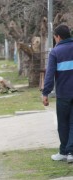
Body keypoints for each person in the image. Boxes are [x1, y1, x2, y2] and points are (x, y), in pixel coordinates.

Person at [42, 24, 73, 163]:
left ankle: (64, 152)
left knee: (63, 124)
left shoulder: (55, 52)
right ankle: (71, 153)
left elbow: (49, 75)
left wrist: (45, 93)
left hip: (63, 94)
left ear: (58, 37)